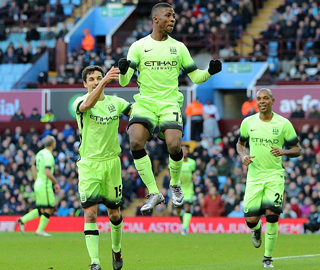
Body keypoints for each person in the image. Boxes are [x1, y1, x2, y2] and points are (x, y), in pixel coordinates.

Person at [118, 2, 222, 214]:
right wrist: (122, 70)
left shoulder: (179, 48)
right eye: (168, 15)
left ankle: (175, 184)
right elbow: (124, 81)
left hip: (169, 104)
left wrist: (209, 71)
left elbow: (195, 76)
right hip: (145, 103)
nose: (173, 19)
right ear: (156, 19)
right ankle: (154, 192)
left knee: (174, 145)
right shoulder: (138, 46)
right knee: (136, 141)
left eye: (174, 16)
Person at [73, 65, 131, 270]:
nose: (96, 81)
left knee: (114, 214)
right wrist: (105, 81)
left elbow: (136, 114)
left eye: (99, 78)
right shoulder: (80, 101)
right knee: (90, 213)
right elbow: (88, 104)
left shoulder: (116, 103)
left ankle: (116, 249)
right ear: (85, 83)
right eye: (91, 79)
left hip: (111, 164)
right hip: (89, 164)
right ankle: (95, 263)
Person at [237, 88, 301, 268]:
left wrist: (284, 151)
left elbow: (298, 149)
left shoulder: (283, 124)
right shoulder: (248, 122)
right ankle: (256, 231)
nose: (262, 101)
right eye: (259, 99)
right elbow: (240, 144)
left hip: (274, 176)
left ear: (273, 100)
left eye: (266, 98)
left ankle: (267, 258)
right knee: (251, 220)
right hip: (254, 177)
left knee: (272, 216)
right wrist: (242, 156)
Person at [17, 135, 60, 237]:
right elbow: (48, 172)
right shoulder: (49, 156)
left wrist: (37, 180)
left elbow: (33, 167)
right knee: (49, 207)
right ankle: (39, 230)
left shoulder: (39, 154)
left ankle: (23, 220)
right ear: (53, 144)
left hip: (38, 184)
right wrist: (56, 183)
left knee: (41, 209)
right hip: (45, 185)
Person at [176, 144, 196, 235]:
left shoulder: (192, 162)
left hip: (188, 188)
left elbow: (194, 173)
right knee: (178, 209)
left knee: (187, 207)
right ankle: (180, 217)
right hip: (178, 188)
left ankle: (184, 228)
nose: (185, 151)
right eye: (183, 150)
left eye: (186, 150)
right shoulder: (176, 162)